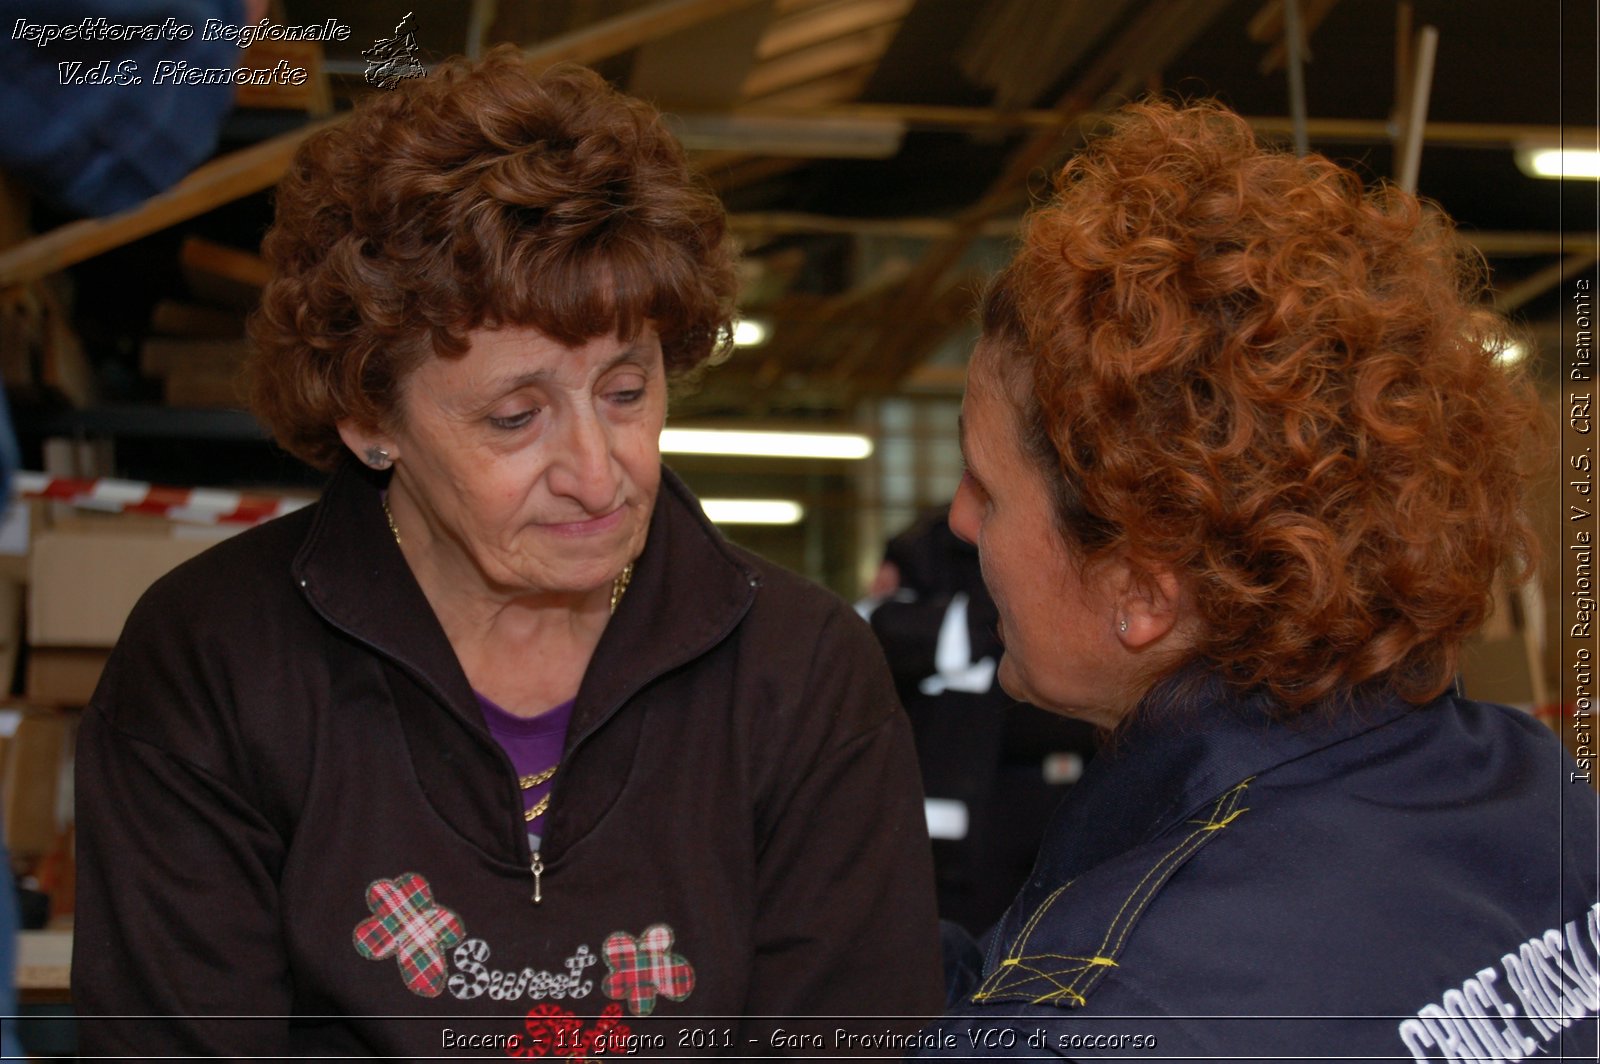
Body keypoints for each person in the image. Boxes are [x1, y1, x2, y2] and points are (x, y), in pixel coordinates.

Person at [71, 49, 943, 1056]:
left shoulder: (801, 673)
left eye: (626, 391)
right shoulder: (216, 660)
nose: (595, 470)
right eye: (515, 415)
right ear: (368, 420)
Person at [917, 100, 1597, 1059]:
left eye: (986, 486)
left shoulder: (1090, 1023)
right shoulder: (1535, 788)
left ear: (1145, 593)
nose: (955, 519)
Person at [863, 508, 1095, 935]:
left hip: (1069, 805)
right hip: (961, 827)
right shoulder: (933, 543)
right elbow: (879, 628)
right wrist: (998, 617)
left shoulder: (1081, 533)